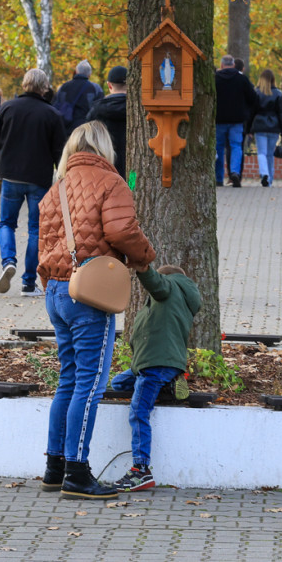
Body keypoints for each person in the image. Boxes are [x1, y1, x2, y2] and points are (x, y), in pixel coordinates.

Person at [36, 121, 156, 500]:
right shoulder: (112, 183)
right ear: (105, 147)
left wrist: (50, 283)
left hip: (56, 289)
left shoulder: (55, 187)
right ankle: (77, 472)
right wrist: (146, 257)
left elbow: (41, 241)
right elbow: (122, 232)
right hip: (88, 295)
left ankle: (54, 467)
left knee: (68, 380)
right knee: (89, 385)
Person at [109, 264, 201, 492]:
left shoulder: (169, 287)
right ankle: (168, 386)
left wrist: (142, 267)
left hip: (156, 364)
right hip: (152, 364)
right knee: (118, 383)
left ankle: (141, 470)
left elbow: (155, 283)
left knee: (139, 411)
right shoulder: (177, 298)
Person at [0, 68, 67, 297]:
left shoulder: (7, 108)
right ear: (44, 87)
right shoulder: (51, 114)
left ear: (24, 84)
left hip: (10, 175)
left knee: (6, 223)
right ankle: (28, 283)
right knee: (36, 230)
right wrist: (59, 176)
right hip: (38, 178)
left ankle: (8, 262)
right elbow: (59, 151)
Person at [215, 54, 259, 187]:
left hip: (219, 119)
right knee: (236, 146)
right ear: (233, 65)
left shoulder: (215, 78)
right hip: (237, 120)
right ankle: (235, 172)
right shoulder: (242, 79)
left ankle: (218, 177)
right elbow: (253, 98)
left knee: (219, 148)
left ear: (222, 65)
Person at [248, 69, 282, 187]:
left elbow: (252, 112)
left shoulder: (256, 93)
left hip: (260, 126)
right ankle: (269, 179)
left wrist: (249, 129)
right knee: (270, 154)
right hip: (274, 127)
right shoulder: (278, 94)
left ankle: (264, 173)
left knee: (261, 153)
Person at [87, 65, 128, 177]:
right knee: (130, 189)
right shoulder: (138, 111)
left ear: (109, 85)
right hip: (132, 170)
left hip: (105, 169)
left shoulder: (96, 110)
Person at [53, 60, 104, 135]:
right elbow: (99, 110)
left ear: (76, 71)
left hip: (66, 130)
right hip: (87, 131)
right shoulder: (95, 88)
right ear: (90, 74)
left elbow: (55, 107)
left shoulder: (64, 87)